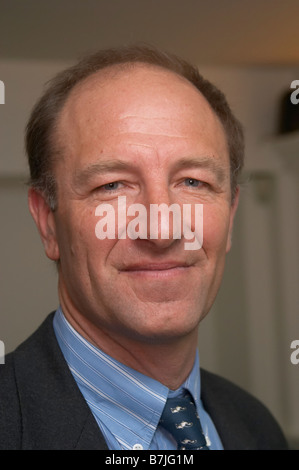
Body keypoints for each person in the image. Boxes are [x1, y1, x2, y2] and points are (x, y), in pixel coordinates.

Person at [0, 44, 288, 450]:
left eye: (194, 182)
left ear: (231, 213)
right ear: (48, 222)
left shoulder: (256, 427)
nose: (161, 229)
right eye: (111, 185)